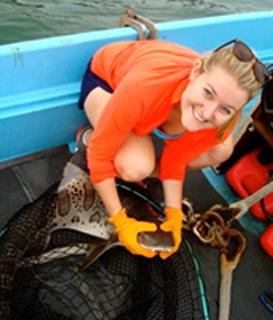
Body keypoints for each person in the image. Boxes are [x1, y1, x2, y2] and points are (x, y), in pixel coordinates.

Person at [76, 38, 267, 260]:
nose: (207, 113)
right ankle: (89, 137)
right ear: (196, 71)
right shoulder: (144, 86)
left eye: (225, 109)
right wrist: (120, 222)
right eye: (208, 93)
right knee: (134, 168)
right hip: (108, 82)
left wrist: (174, 215)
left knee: (222, 149)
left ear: (236, 110)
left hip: (151, 101)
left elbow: (177, 158)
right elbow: (99, 157)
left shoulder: (223, 119)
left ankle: (149, 166)